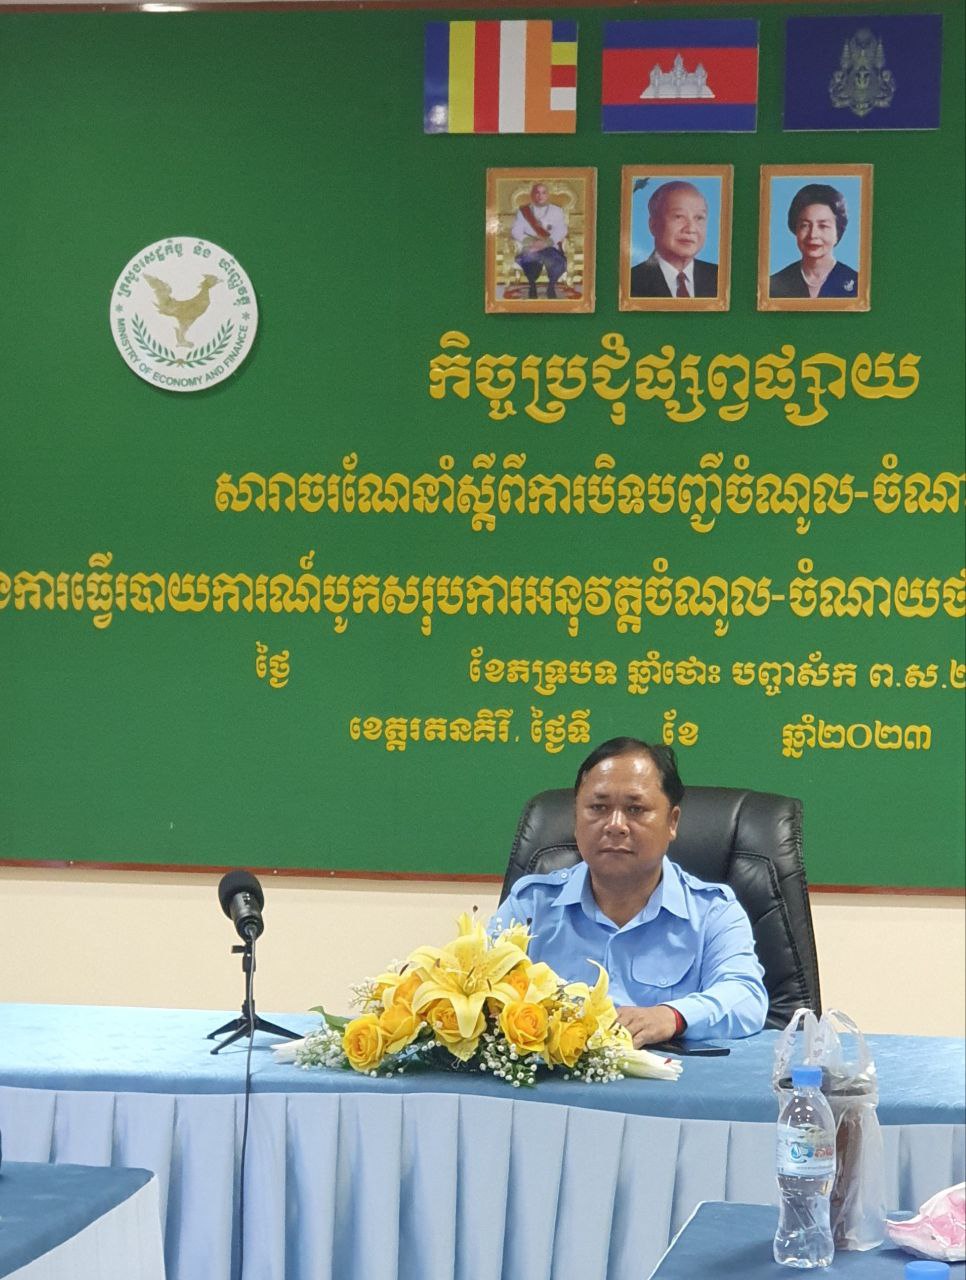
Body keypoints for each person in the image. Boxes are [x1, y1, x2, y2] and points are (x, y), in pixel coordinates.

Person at [492, 737, 768, 1046]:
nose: (615, 825)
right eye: (598, 808)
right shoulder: (530, 907)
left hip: (671, 1075)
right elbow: (477, 986)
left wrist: (673, 1016)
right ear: (576, 818)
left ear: (672, 822)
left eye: (635, 809)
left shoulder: (713, 912)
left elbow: (747, 999)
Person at [630, 181, 719, 299]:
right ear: (653, 225)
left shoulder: (720, 277)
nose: (691, 229)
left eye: (699, 218)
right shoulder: (631, 282)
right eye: (678, 216)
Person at [769, 183, 858, 300]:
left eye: (823, 226)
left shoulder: (857, 283)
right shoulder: (774, 285)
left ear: (838, 231)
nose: (813, 235)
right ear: (795, 229)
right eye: (804, 225)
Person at [509, 181, 568, 300]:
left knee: (558, 263)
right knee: (529, 261)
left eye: (543, 193)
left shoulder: (557, 210)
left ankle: (551, 287)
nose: (540, 196)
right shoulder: (524, 211)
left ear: (548, 195)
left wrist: (546, 243)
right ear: (532, 194)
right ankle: (532, 286)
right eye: (537, 192)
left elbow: (562, 230)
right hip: (531, 247)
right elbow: (516, 230)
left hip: (550, 246)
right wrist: (531, 242)